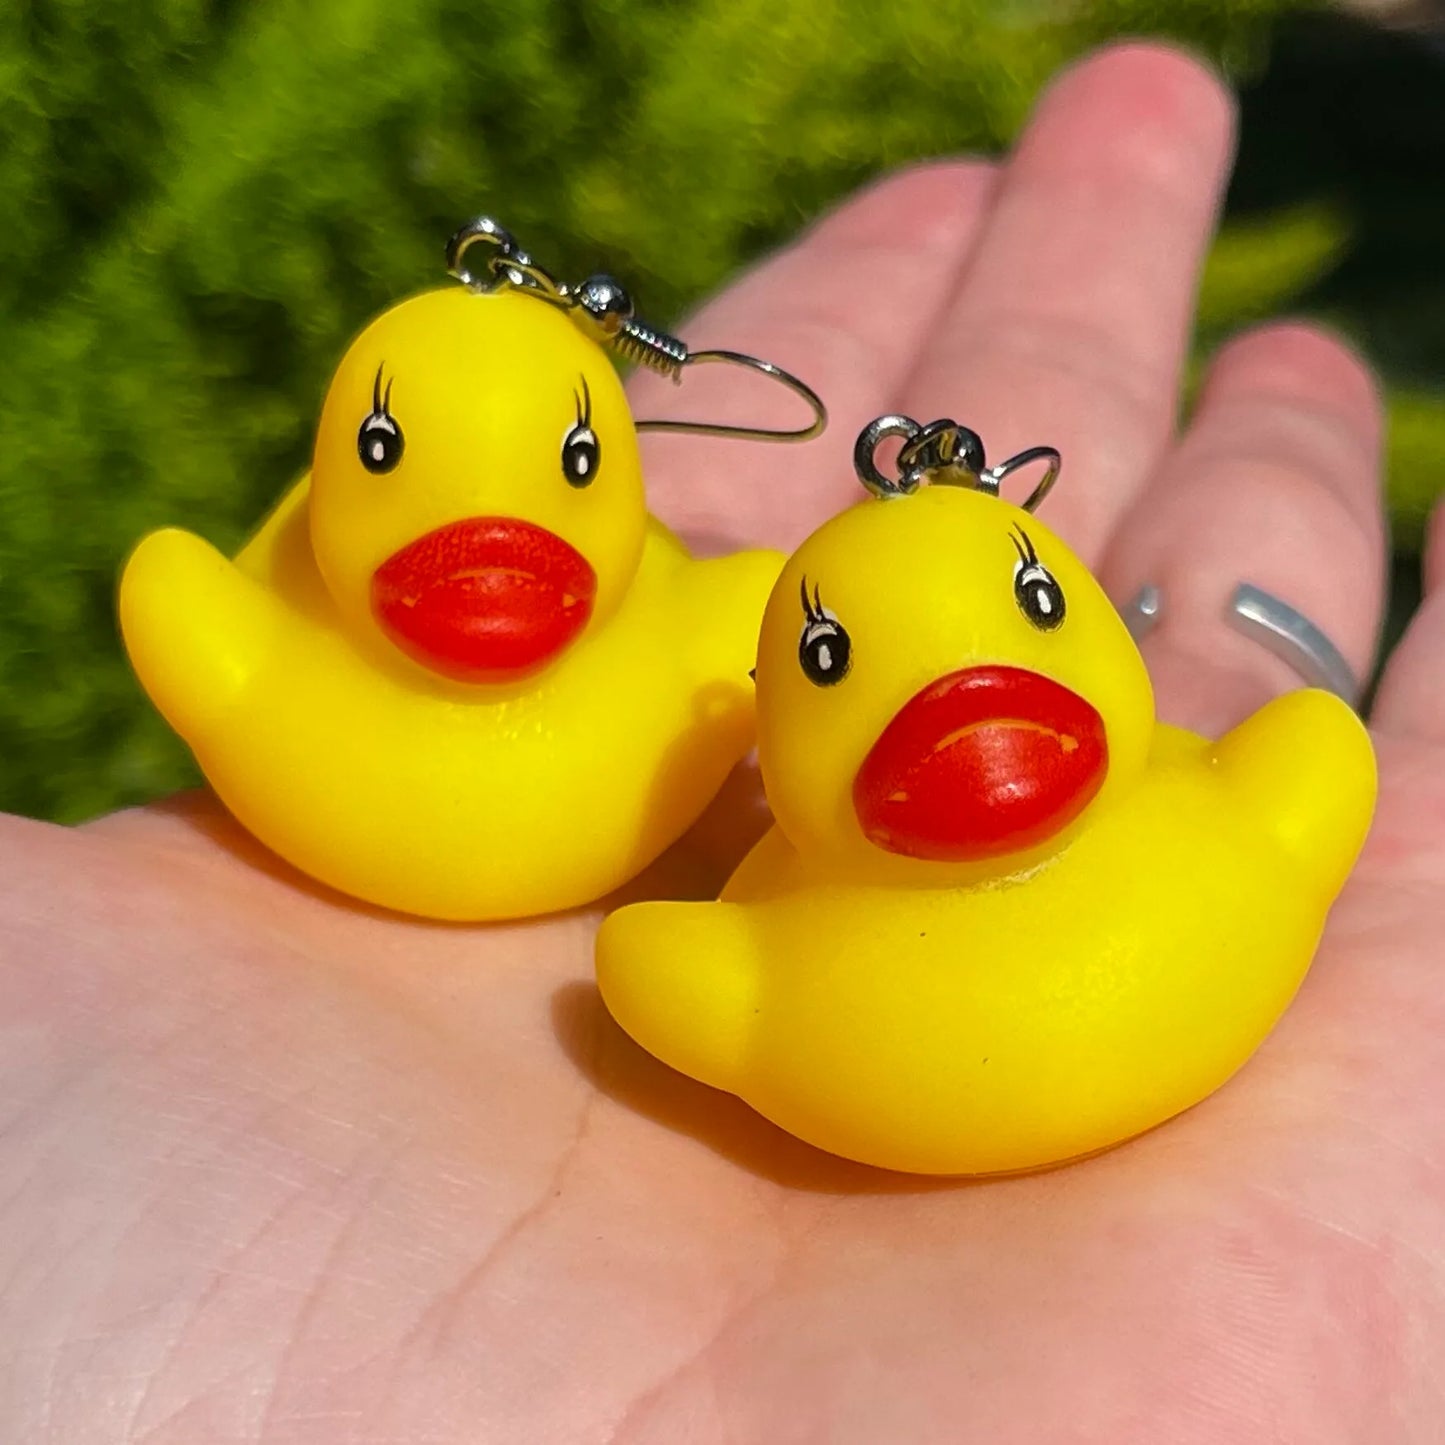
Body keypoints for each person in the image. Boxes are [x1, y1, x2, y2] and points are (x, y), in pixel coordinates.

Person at [2, 40, 1439, 1442]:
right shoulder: (329, 680)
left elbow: (673, 967)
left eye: (573, 459)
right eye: (830, 659)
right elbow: (1307, 760)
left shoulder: (1134, 856)